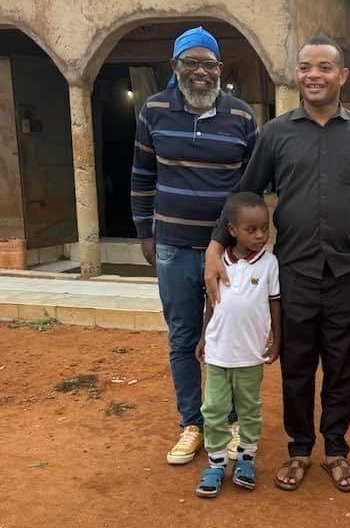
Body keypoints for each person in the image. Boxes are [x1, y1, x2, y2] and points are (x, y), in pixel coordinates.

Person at [204, 36, 350, 493]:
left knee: (341, 365)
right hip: (294, 272)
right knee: (296, 366)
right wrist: (215, 247)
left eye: (324, 67)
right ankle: (300, 449)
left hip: (344, 271)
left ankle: (335, 450)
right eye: (305, 67)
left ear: (342, 75)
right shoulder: (276, 133)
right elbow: (246, 193)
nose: (313, 75)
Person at [131, 26, 258, 465]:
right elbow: (142, 175)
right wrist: (145, 233)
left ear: (220, 69)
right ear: (175, 66)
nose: (200, 72)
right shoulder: (153, 110)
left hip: (228, 252)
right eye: (191, 63)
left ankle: (233, 421)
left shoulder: (241, 116)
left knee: (229, 336)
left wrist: (243, 243)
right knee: (183, 337)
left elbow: (251, 187)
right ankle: (193, 423)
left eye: (209, 64)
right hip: (174, 247)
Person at [194, 192, 281, 498]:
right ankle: (216, 464)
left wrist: (277, 338)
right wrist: (204, 336)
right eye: (251, 229)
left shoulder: (269, 264)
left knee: (249, 409)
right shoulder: (218, 262)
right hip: (218, 352)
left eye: (265, 229)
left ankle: (246, 459)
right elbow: (211, 303)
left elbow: (275, 303)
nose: (260, 235)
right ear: (232, 230)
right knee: (214, 409)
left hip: (250, 353)